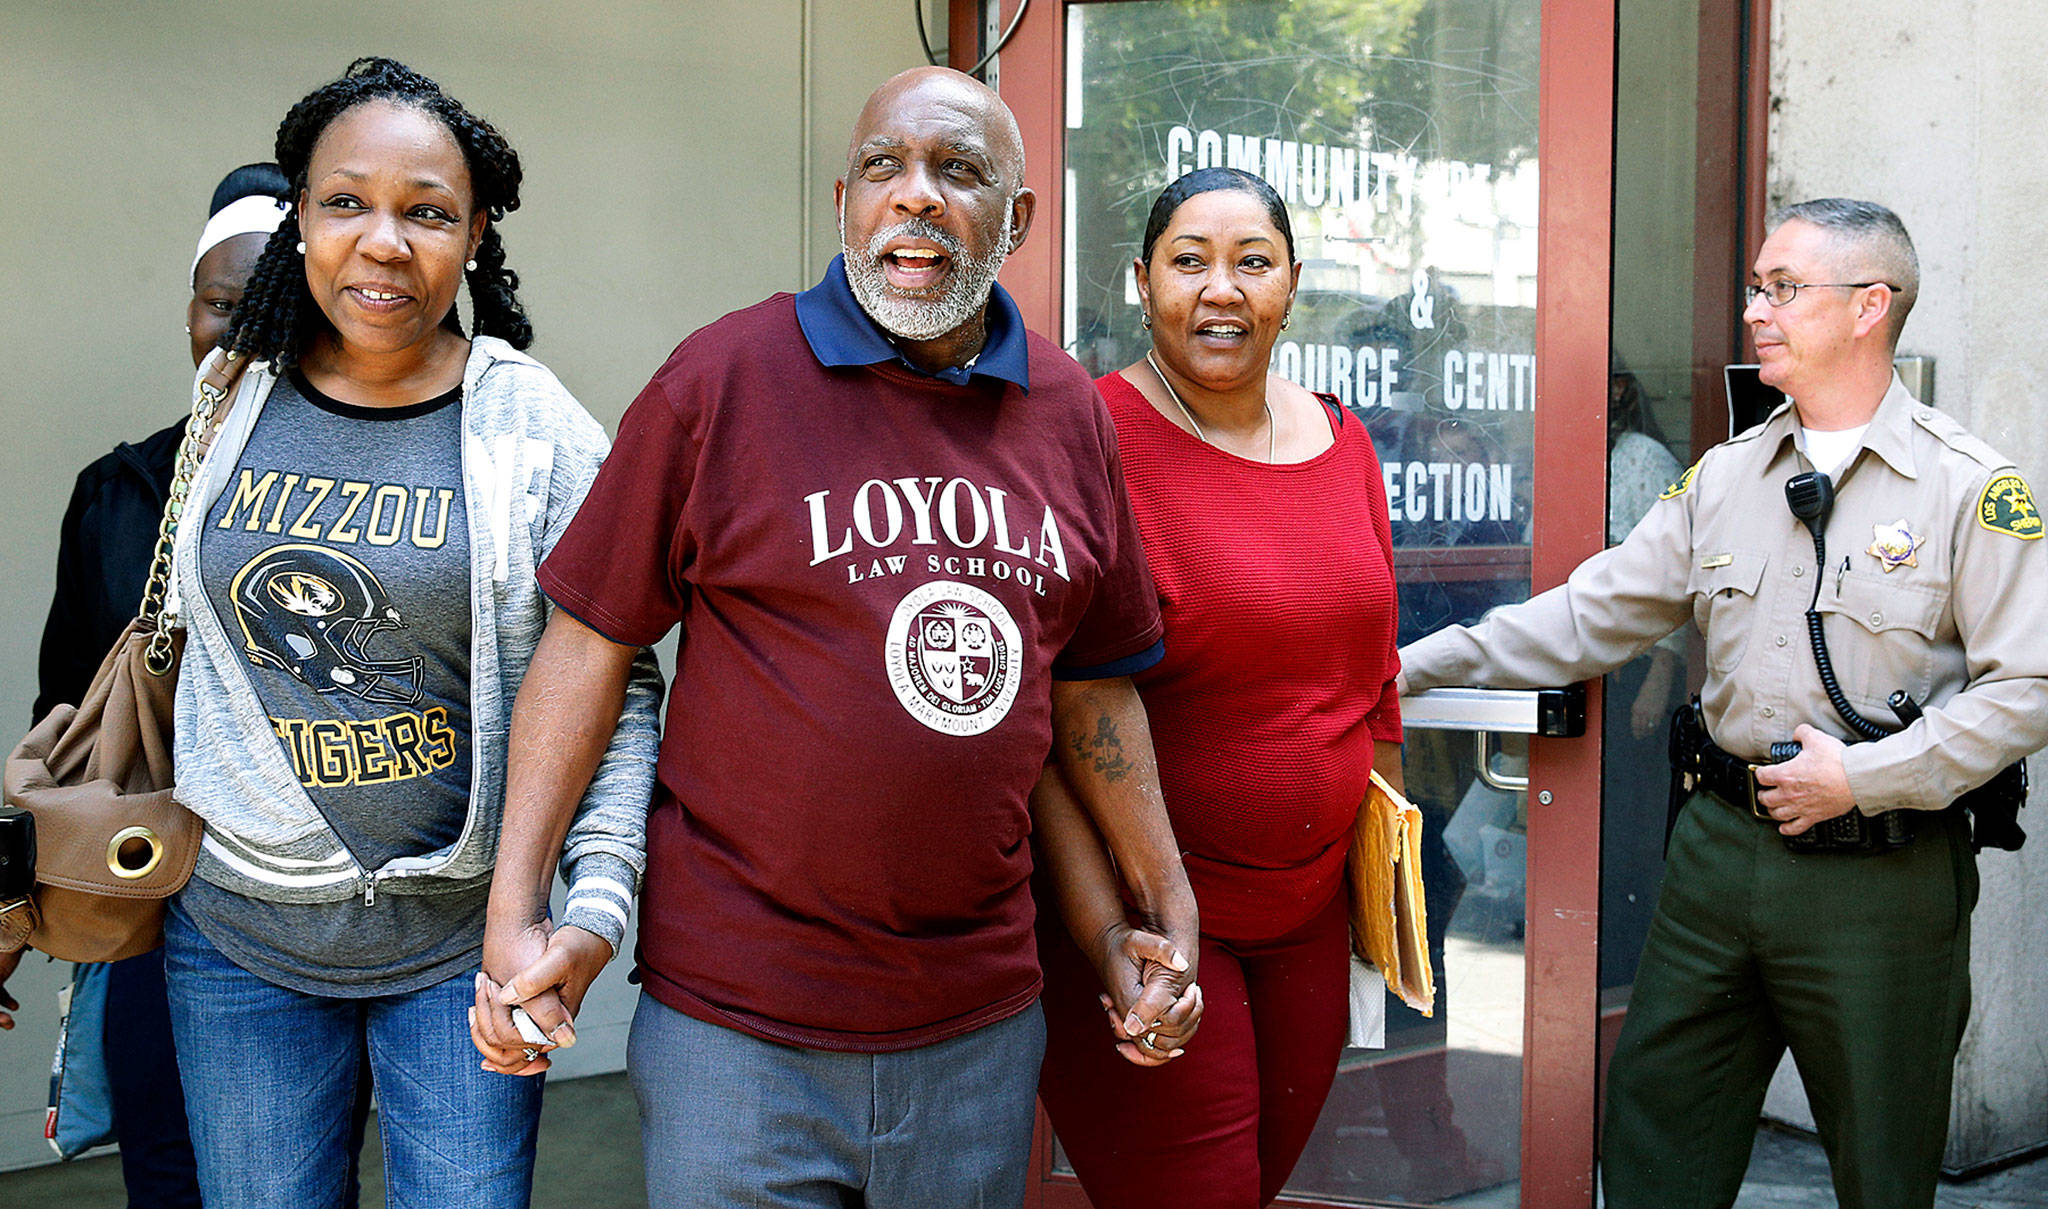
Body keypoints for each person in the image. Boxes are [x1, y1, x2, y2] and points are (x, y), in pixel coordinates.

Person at [471, 66, 1198, 1209]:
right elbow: (588, 643)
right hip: (736, 1030)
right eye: (882, 168)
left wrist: (1158, 910)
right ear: (844, 200)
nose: (914, 196)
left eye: (957, 171)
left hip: (976, 1027)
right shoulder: (722, 380)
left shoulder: (1066, 414)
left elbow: (1091, 694)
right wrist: (516, 908)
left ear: (1016, 221)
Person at [1398, 198, 2048, 1208]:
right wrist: (1408, 667)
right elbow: (1584, 618)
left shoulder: (1967, 488)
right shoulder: (1723, 476)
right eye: (1755, 286)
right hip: (1715, 854)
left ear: (1868, 305)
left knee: (1883, 1160)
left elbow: (2027, 687)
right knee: (1658, 1131)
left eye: (1781, 288)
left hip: (1879, 875)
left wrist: (1862, 777)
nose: (1754, 310)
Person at [159, 58, 660, 1208]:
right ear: (300, 220)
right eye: (345, 203)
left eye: (427, 212)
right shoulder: (231, 395)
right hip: (237, 940)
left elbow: (616, 686)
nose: (384, 242)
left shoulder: (529, 425)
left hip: (463, 948)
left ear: (477, 234)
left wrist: (587, 907)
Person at [1031, 166, 1404, 1209]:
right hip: (1147, 923)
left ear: (1292, 284)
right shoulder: (1084, 437)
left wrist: (1379, 886)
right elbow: (1045, 730)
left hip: (1307, 924)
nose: (1220, 289)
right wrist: (1111, 931)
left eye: (1252, 262)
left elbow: (1373, 680)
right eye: (1188, 262)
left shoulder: (1345, 439)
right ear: (1139, 283)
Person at [0, 163, 302, 1209]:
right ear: (190, 311)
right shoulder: (122, 493)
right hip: (149, 905)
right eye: (222, 306)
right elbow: (62, 727)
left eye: (271, 311)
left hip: (307, 915)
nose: (240, 337)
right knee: (166, 1171)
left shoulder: (364, 509)